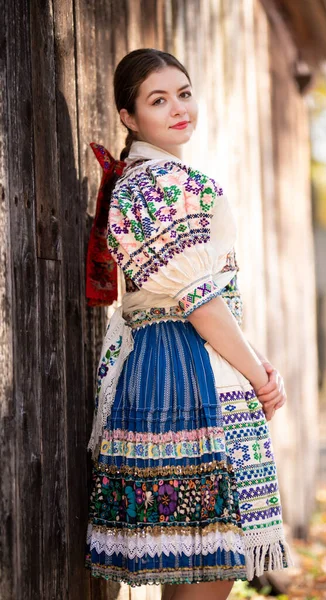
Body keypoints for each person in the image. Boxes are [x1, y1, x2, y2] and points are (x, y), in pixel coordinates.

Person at [84, 48, 294, 600]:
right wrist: (258, 374)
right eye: (158, 100)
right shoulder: (159, 182)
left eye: (184, 93)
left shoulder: (150, 178)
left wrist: (252, 361)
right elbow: (200, 300)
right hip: (184, 368)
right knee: (209, 565)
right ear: (130, 118)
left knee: (200, 562)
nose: (179, 108)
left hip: (166, 362)